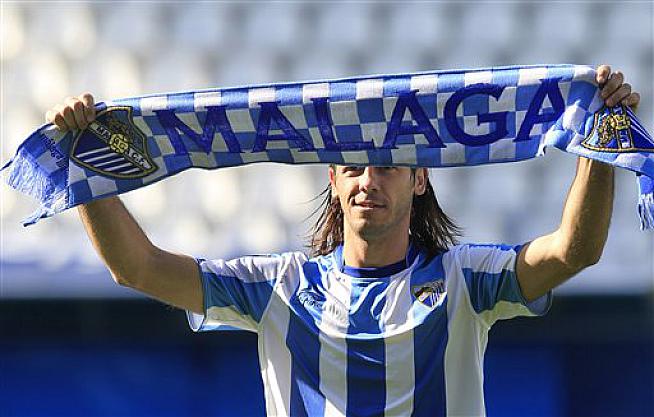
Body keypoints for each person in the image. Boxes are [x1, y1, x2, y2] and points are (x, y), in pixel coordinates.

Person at [46, 64, 639, 416]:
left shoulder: (465, 280)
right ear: (332, 179)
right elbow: (138, 267)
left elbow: (574, 250)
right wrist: (85, 168)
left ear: (420, 179)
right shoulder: (277, 286)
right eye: (353, 168)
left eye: (387, 167)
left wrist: (599, 143)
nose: (368, 182)